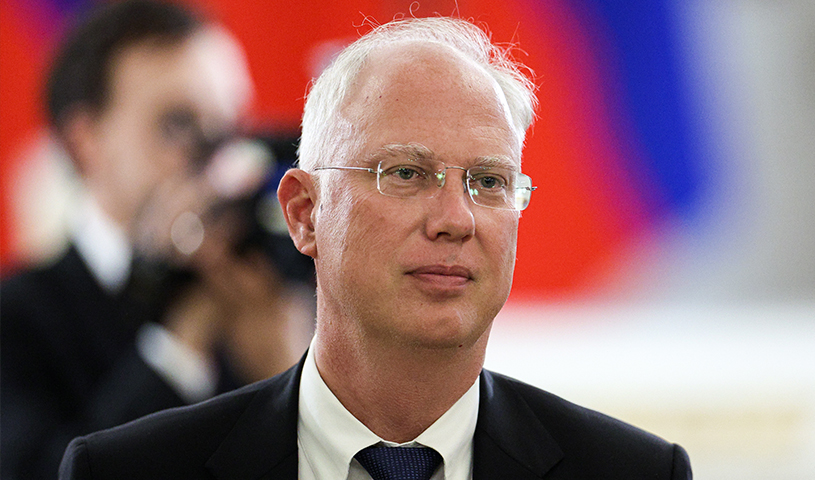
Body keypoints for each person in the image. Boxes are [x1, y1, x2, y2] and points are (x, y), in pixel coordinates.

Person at [58, 16, 692, 480]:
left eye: (489, 182)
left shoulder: (634, 473)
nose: (456, 219)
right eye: (406, 173)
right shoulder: (126, 472)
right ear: (304, 214)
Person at [0, 2, 313, 479]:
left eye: (230, 125)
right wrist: (180, 347)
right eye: (177, 125)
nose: (216, 156)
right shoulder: (18, 318)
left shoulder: (285, 285)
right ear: (86, 143)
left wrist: (296, 382)